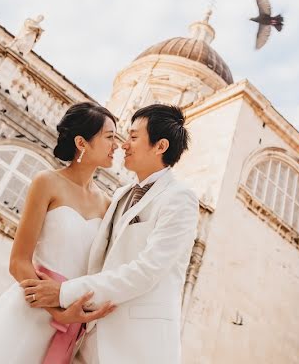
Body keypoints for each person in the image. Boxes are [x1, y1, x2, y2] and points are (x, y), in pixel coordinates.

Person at [21, 104, 199, 364]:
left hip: (138, 348)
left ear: (160, 146)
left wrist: (63, 293)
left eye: (134, 137)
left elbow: (146, 272)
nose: (124, 145)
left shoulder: (179, 199)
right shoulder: (119, 196)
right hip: (88, 337)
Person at [0, 102, 119, 364]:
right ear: (82, 142)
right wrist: (56, 310)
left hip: (72, 318)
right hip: (31, 311)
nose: (116, 145)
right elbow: (18, 262)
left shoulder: (107, 204)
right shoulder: (47, 182)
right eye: (109, 137)